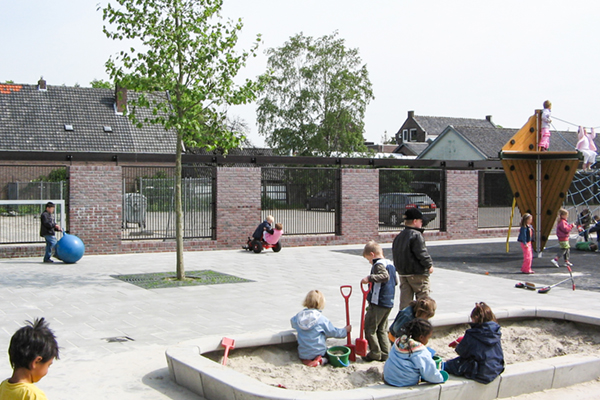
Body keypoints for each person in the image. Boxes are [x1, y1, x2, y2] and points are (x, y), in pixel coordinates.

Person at [444, 302, 504, 384]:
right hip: (496, 368)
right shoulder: (496, 332)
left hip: (481, 372)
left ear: (476, 318)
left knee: (450, 365)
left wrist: (458, 346)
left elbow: (462, 352)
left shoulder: (472, 333)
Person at [0, 318, 59, 400]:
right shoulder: (33, 395)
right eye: (48, 365)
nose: (47, 371)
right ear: (36, 362)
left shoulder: (3, 386)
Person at [290, 290, 351, 367]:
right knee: (326, 354)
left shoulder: (299, 317)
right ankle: (319, 359)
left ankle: (307, 361)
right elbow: (333, 332)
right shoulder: (321, 319)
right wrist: (345, 330)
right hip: (318, 351)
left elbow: (292, 323)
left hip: (303, 353)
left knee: (304, 356)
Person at [361, 240, 397, 362]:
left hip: (378, 302)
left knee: (370, 328)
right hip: (389, 302)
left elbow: (385, 276)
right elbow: (395, 281)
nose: (370, 262)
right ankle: (386, 353)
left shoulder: (379, 265)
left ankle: (375, 353)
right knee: (382, 329)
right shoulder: (390, 264)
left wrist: (369, 278)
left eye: (368, 259)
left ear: (372, 254)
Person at [383, 319, 446, 387]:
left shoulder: (399, 342)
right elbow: (430, 374)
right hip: (405, 382)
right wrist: (440, 378)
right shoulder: (420, 352)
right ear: (421, 337)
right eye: (428, 338)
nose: (428, 340)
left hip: (388, 378)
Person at [392, 208, 434, 310]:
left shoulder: (399, 236)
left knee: (405, 301)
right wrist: (429, 265)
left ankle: (404, 322)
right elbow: (421, 253)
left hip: (403, 273)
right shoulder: (416, 235)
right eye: (421, 221)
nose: (422, 223)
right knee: (423, 300)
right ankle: (421, 321)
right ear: (415, 221)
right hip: (417, 273)